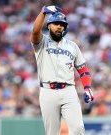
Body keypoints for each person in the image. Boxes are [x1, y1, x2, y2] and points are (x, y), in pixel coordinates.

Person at [30, 5, 94, 135]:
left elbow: (83, 70)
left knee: (78, 129)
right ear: (48, 26)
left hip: (68, 91)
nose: (59, 26)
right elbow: (35, 32)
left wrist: (87, 87)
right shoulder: (42, 43)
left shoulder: (72, 46)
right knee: (52, 133)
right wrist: (43, 13)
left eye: (62, 24)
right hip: (48, 91)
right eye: (56, 24)